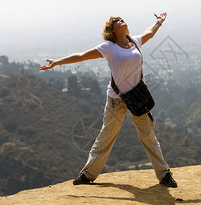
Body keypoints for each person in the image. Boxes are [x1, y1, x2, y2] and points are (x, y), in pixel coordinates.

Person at [40, 13, 177, 187]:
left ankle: (164, 175)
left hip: (137, 98)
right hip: (116, 100)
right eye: (116, 21)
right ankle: (87, 175)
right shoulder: (108, 47)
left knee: (148, 136)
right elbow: (81, 56)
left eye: (121, 19)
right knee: (106, 137)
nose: (121, 20)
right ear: (111, 30)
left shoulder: (134, 41)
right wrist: (56, 63)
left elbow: (149, 33)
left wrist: (159, 22)